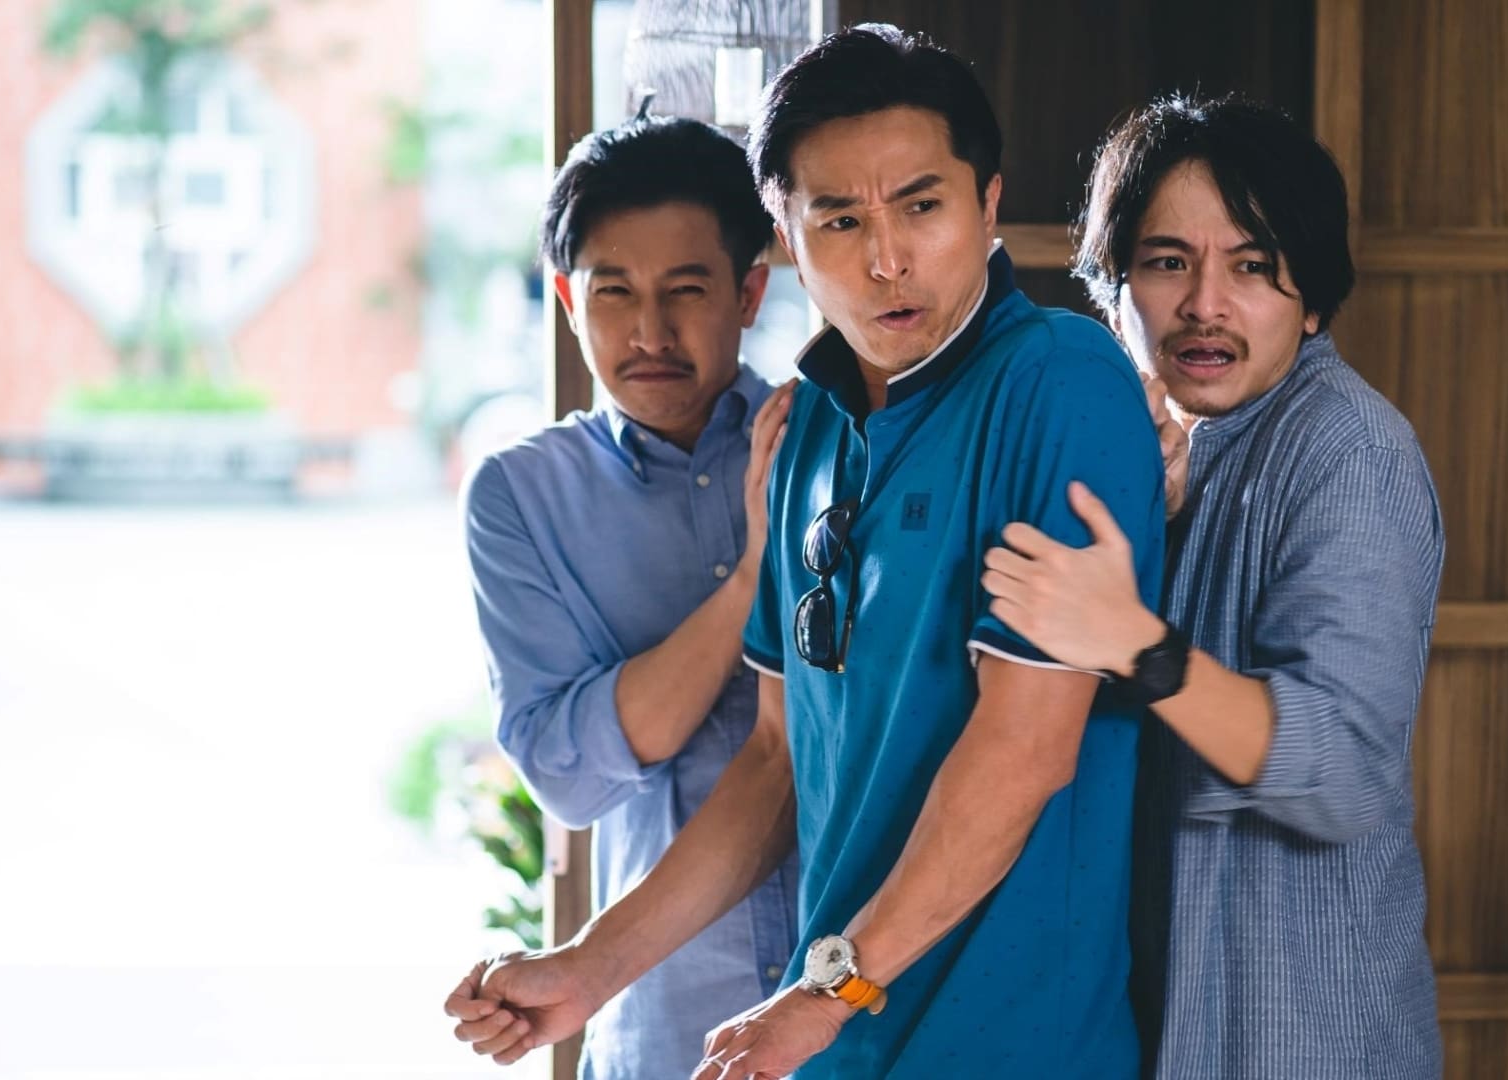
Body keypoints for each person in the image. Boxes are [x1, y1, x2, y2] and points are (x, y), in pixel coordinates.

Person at [445, 24, 1168, 1080]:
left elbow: (1026, 750)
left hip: (1012, 1048)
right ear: (785, 236)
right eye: (839, 219)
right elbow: (773, 762)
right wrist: (587, 971)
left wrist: (820, 997)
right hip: (835, 1048)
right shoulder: (805, 431)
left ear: (987, 204)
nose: (886, 259)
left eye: (921, 206)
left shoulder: (1058, 381)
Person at [980, 95, 1446, 1078]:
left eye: (1252, 266)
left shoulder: (1349, 452)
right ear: (1112, 289)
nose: (1205, 304)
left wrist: (1137, 644)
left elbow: (1344, 774)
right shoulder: (1139, 447)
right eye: (1166, 262)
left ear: (1311, 300)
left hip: (1298, 1044)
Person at [441, 115, 800, 1080]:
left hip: (857, 1017)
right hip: (665, 1026)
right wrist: (754, 580)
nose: (650, 333)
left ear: (750, 292)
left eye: (686, 289)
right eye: (613, 292)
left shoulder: (827, 442)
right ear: (567, 299)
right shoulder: (520, 496)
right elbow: (570, 774)